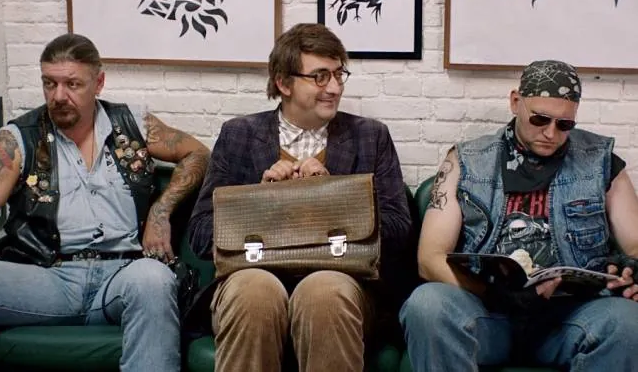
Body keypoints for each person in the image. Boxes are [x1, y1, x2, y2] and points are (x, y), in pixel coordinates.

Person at [0, 33, 211, 371]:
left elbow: (198, 154)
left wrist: (161, 210)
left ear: (98, 83)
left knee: (155, 279)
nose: (58, 96)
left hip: (122, 275)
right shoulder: (19, 138)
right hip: (47, 279)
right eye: (50, 83)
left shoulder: (133, 125)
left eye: (73, 84)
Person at [187, 23, 414, 372]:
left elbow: (399, 230)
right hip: (251, 277)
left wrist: (335, 196)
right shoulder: (239, 136)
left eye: (339, 74)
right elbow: (201, 234)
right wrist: (258, 200)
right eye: (320, 77)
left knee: (323, 293)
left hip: (343, 282)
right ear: (283, 83)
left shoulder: (371, 136)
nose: (334, 88)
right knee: (254, 292)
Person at [401, 60, 638, 371]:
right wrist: (496, 295)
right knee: (427, 304)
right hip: (487, 311)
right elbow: (429, 258)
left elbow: (635, 246)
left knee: (627, 322)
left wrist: (631, 271)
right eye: (540, 119)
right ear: (515, 102)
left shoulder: (602, 163)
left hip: (570, 317)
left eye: (564, 124)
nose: (550, 133)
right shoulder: (465, 160)